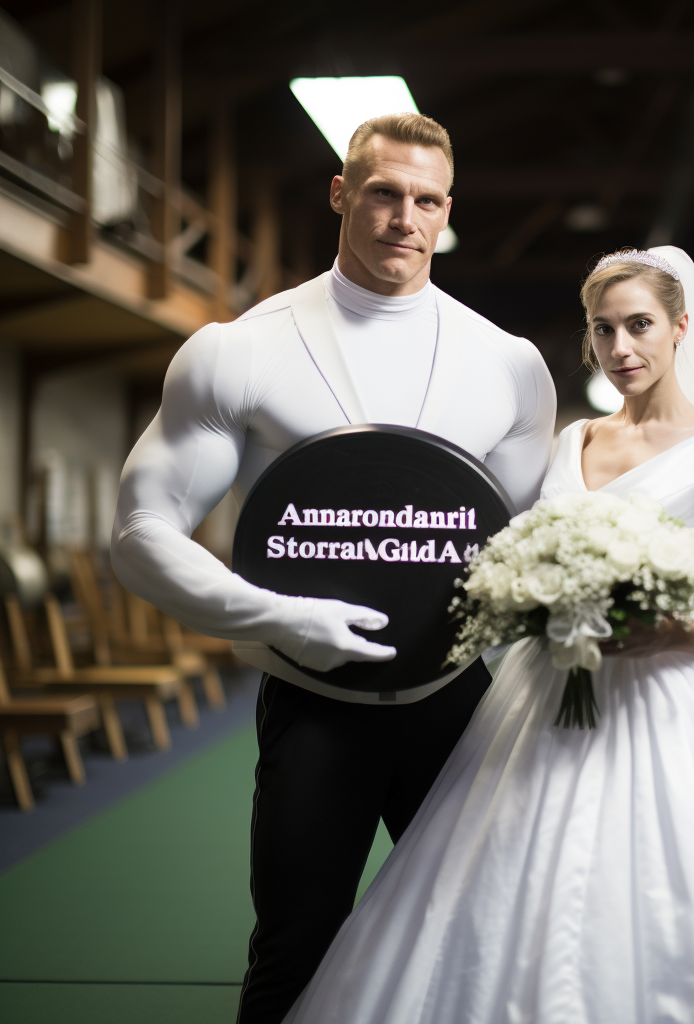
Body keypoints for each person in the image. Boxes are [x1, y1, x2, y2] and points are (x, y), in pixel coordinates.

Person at [280, 248, 694, 1024]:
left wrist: (676, 633)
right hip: (541, 700)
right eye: (603, 331)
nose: (621, 349)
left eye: (640, 326)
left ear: (680, 329)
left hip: (672, 703)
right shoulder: (571, 442)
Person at [110, 113, 556, 1024]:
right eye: (384, 193)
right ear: (341, 194)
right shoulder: (240, 350)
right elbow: (140, 532)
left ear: (446, 211)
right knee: (293, 951)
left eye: (427, 200)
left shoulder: (508, 365)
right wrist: (269, 614)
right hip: (317, 704)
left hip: (458, 705)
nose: (405, 217)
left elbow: (525, 546)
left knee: (483, 942)